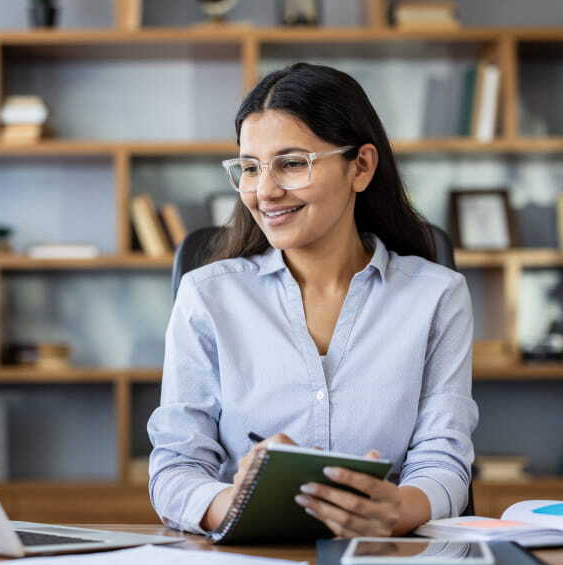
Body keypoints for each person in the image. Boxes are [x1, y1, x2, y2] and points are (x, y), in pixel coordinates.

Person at [147, 62, 477, 538]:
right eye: (249, 168)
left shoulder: (436, 295)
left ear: (360, 167)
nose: (264, 191)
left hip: (384, 564)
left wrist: (395, 510)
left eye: (292, 163)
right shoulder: (208, 295)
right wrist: (231, 503)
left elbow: (444, 460)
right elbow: (176, 466)